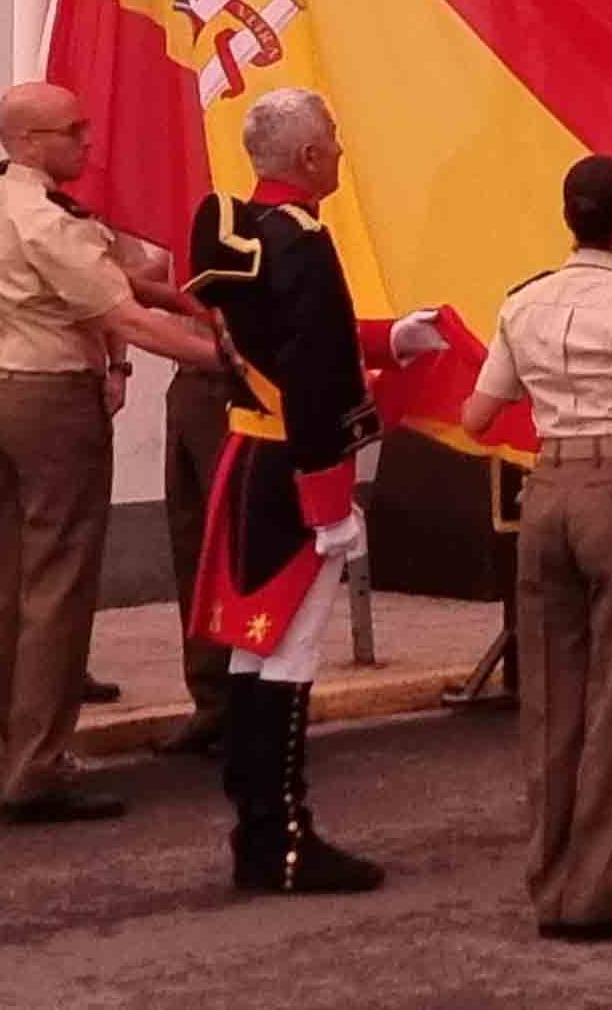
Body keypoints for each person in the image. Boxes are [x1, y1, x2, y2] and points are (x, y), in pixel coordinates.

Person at [183, 87, 456, 892]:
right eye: (332, 140)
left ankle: (258, 833)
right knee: (289, 653)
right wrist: (331, 503)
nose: (340, 150)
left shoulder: (256, 231)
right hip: (294, 468)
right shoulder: (300, 241)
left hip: (252, 458)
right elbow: (311, 375)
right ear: (308, 159)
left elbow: (298, 335)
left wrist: (388, 338)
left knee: (251, 647)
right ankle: (284, 842)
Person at [0, 82, 229, 824]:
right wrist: (225, 359)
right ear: (32, 141)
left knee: (7, 579)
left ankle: (6, 745)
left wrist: (178, 300)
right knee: (58, 585)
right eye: (74, 131)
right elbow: (126, 318)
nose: (88, 143)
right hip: (50, 403)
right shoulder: (50, 220)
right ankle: (39, 766)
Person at [456, 155, 612, 943]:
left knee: (550, 700)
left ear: (569, 216)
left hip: (547, 486)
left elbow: (478, 416)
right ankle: (596, 888)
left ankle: (551, 878)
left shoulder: (524, 301)